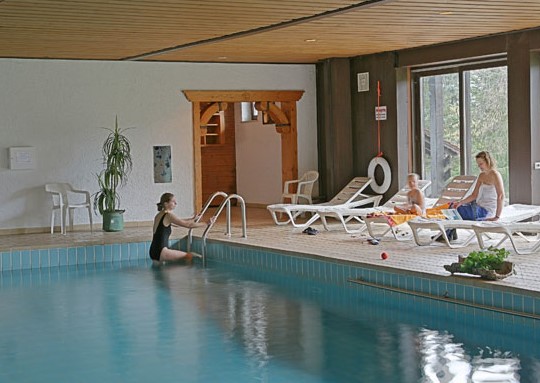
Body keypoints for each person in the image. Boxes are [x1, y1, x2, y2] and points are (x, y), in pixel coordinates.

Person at [443, 151, 505, 241]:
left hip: (487, 211)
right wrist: (460, 202)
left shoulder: (495, 175)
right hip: (477, 207)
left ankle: (448, 234)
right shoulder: (481, 175)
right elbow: (474, 195)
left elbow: (501, 196)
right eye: (478, 164)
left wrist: (497, 216)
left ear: (488, 161)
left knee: (458, 210)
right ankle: (450, 232)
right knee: (453, 206)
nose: (479, 166)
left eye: (481, 164)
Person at [149, 192, 215, 263]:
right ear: (166, 204)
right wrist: (206, 223)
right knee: (189, 257)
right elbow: (188, 225)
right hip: (161, 251)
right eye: (173, 202)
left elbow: (177, 223)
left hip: (153, 251)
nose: (176, 203)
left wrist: (192, 219)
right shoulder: (168, 215)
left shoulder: (159, 215)